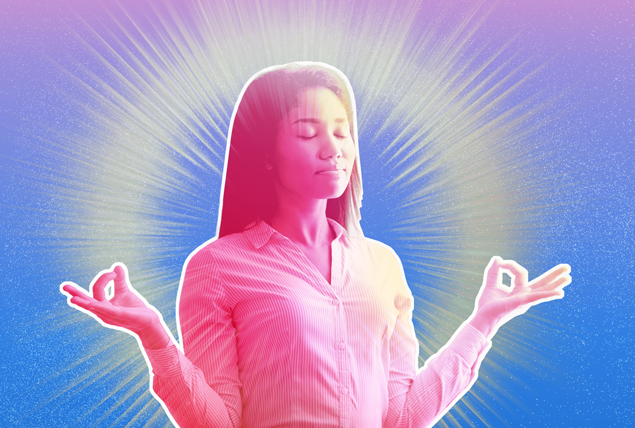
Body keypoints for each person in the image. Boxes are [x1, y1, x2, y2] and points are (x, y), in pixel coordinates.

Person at [60, 62, 571, 428]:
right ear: (265, 154)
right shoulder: (218, 267)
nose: (334, 149)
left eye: (342, 131)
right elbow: (217, 424)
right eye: (308, 133)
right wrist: (153, 337)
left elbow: (403, 416)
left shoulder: (382, 265)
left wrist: (483, 323)